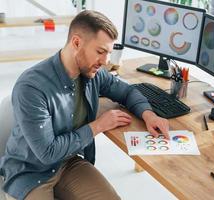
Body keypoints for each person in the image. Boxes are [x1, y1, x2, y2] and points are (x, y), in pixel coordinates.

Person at [0, 10, 169, 200]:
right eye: (100, 52)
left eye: (109, 53)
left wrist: (148, 114)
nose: (105, 61)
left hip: (68, 162)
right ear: (77, 43)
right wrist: (99, 125)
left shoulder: (92, 73)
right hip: (29, 171)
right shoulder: (32, 87)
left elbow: (127, 91)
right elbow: (47, 153)